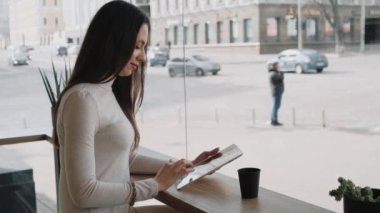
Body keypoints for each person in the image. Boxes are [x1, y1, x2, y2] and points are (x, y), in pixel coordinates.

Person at [53, 1, 219, 212]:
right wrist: (155, 186)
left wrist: (182, 166)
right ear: (113, 41)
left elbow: (124, 158)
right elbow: (83, 193)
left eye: (144, 47)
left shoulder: (106, 93)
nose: (142, 56)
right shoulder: (83, 99)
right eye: (137, 46)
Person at [269, 62, 284, 126]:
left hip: (278, 91)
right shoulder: (273, 74)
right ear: (274, 66)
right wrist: (282, 74)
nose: (279, 66)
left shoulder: (275, 73)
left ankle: (273, 119)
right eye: (277, 65)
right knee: (276, 106)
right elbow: (280, 80)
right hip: (276, 92)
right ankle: (274, 120)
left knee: (276, 106)